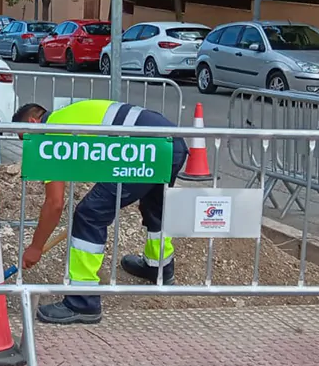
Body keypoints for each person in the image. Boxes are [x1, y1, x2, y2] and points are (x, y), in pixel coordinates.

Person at [13, 99, 188, 325]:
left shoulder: (51, 132)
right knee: (154, 206)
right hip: (172, 144)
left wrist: (36, 247)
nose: (27, 146)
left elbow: (54, 204)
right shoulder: (70, 116)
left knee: (89, 214)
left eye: (24, 138)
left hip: (141, 149)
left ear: (33, 122)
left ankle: (82, 301)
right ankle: (159, 268)